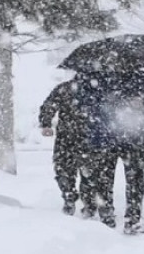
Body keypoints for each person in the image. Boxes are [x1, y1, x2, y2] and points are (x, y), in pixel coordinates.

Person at [74, 69, 144, 235]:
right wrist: (105, 103)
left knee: (135, 178)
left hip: (135, 137)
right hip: (105, 137)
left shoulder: (142, 77)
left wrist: (142, 103)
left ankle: (133, 220)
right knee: (104, 179)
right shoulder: (96, 77)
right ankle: (106, 219)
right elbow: (81, 103)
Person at [39, 79, 93, 216]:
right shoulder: (96, 89)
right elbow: (49, 106)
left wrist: (46, 123)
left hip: (67, 136)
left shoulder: (65, 88)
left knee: (65, 169)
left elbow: (48, 105)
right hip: (88, 137)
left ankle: (70, 196)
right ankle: (86, 201)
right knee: (88, 172)